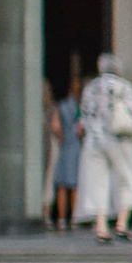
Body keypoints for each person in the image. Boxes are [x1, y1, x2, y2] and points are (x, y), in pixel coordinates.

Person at [74, 53, 132, 242]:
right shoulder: (123, 86)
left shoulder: (91, 88)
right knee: (127, 179)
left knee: (98, 183)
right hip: (118, 139)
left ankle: (102, 227)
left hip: (94, 141)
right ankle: (122, 223)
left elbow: (84, 115)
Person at [46, 65, 84, 229]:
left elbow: (55, 126)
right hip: (75, 146)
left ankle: (61, 218)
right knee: (74, 184)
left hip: (64, 146)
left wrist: (61, 136)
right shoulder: (79, 108)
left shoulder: (61, 106)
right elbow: (80, 129)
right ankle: (74, 217)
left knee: (61, 184)